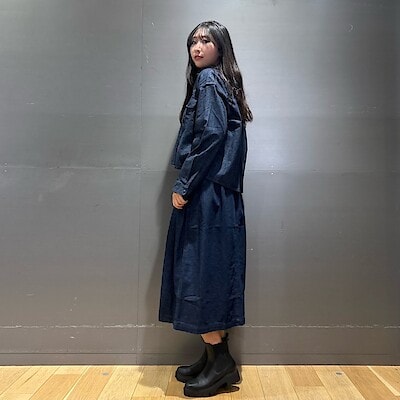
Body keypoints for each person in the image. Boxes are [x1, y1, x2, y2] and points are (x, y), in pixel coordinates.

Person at [159, 20, 253, 397]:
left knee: (199, 275)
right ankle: (214, 358)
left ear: (220, 47)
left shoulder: (210, 80)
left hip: (207, 195)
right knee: (209, 274)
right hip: (219, 196)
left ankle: (221, 362)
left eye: (206, 41)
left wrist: (184, 185)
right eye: (193, 41)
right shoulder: (221, 81)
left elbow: (211, 135)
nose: (197, 48)